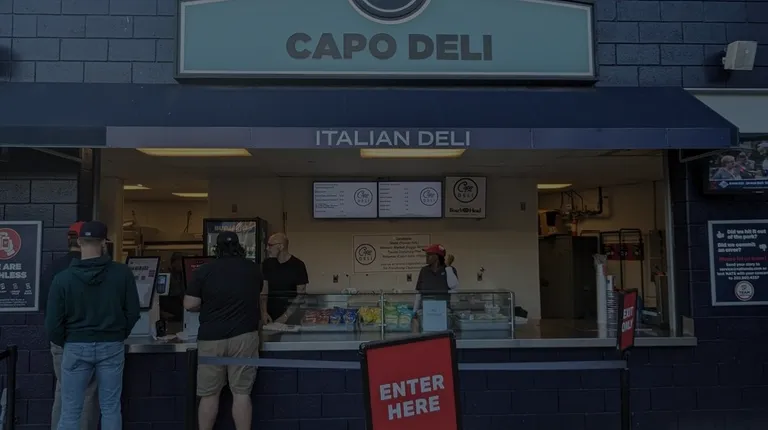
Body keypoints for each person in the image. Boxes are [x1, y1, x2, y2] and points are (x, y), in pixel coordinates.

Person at [44, 221, 140, 430]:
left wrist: (68, 341)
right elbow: (133, 312)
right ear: (104, 242)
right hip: (111, 345)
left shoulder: (63, 279)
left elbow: (52, 324)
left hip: (75, 345)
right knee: (111, 408)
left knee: (70, 410)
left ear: (79, 242)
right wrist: (119, 333)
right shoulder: (122, 273)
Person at [183, 231, 263, 430]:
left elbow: (189, 304)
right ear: (239, 246)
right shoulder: (253, 269)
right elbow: (258, 295)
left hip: (211, 338)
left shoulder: (204, 271)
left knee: (209, 394)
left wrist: (209, 305)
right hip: (244, 336)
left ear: (216, 248)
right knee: (241, 393)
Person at [40, 222, 100, 430]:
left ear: (69, 240)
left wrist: (58, 339)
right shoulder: (94, 269)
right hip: (85, 339)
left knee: (63, 390)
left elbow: (45, 308)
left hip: (60, 341)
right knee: (86, 393)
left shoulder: (52, 268)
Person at [261, 233, 309, 326]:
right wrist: (264, 312)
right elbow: (264, 291)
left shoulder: (298, 265)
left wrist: (285, 317)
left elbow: (301, 295)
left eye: (270, 245)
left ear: (281, 246)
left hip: (291, 318)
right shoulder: (267, 264)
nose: (267, 248)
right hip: (270, 317)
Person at [413, 244, 459, 315]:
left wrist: (448, 267)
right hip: (426, 309)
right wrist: (414, 312)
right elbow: (418, 294)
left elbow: (453, 286)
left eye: (429, 254)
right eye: (426, 254)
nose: (427, 257)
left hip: (444, 310)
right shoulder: (424, 270)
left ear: (437, 256)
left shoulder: (449, 269)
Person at [159, 252, 185, 322]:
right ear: (174, 262)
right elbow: (159, 296)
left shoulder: (182, 275)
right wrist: (161, 312)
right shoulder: (165, 274)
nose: (181, 264)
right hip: (169, 308)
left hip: (180, 309)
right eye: (180, 262)